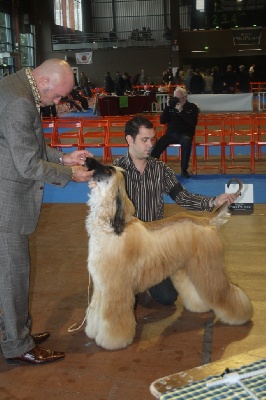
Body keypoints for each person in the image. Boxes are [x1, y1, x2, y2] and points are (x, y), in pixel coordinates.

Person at [0, 58, 94, 366]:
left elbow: (27, 143)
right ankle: (16, 344)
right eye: (56, 96)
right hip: (7, 203)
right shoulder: (19, 102)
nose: (57, 102)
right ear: (44, 83)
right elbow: (27, 164)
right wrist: (70, 175)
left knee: (9, 274)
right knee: (15, 274)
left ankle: (13, 330)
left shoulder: (16, 87)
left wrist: (63, 158)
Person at [109, 116, 238, 306]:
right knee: (122, 298)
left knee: (168, 298)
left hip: (154, 245)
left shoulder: (161, 169)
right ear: (129, 140)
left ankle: (142, 282)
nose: (150, 145)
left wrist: (214, 201)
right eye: (144, 140)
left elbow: (183, 197)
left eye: (152, 139)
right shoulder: (115, 172)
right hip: (126, 246)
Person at [151, 86, 199, 178]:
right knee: (159, 143)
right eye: (175, 98)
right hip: (171, 133)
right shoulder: (170, 107)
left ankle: (184, 169)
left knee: (186, 142)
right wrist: (168, 107)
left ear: (185, 97)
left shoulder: (192, 107)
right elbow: (162, 121)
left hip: (185, 133)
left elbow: (193, 123)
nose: (177, 100)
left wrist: (181, 111)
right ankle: (149, 165)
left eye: (179, 98)